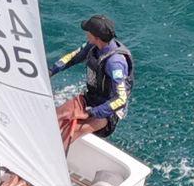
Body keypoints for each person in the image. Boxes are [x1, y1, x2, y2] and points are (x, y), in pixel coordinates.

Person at [48, 14, 134, 149]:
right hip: (91, 98)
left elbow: (121, 99)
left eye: (88, 31)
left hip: (108, 113)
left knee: (72, 131)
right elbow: (73, 57)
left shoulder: (115, 63)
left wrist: (91, 113)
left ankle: (49, 165)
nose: (86, 33)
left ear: (96, 37)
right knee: (57, 116)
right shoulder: (93, 46)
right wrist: (51, 71)